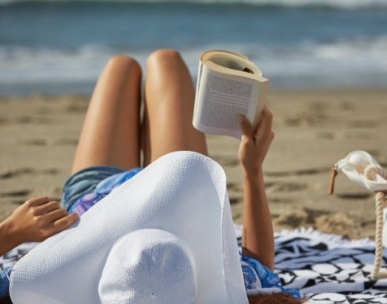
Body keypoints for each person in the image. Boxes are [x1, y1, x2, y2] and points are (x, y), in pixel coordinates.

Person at [0, 49, 302, 303]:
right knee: (166, 61)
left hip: (95, 193)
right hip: (178, 192)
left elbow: (257, 267)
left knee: (121, 67)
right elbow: (260, 267)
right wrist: (252, 171)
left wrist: (12, 231)